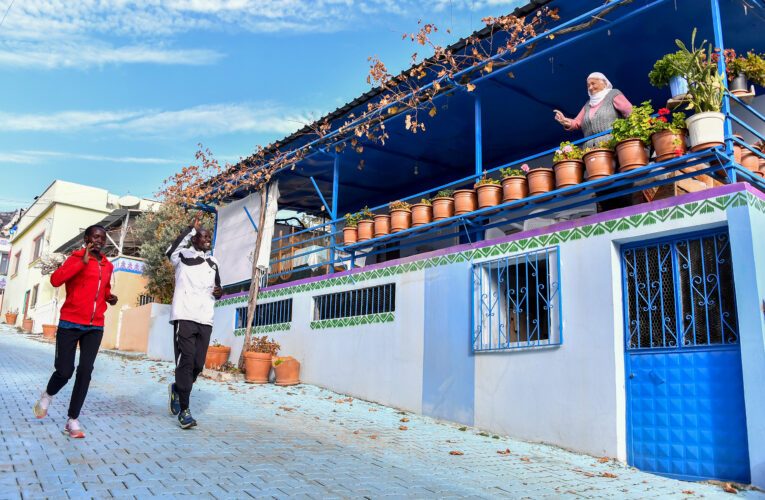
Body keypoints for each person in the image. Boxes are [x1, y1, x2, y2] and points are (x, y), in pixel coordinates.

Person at [33, 225, 118, 438]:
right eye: (95, 237)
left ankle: (72, 419)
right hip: (70, 323)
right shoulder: (75, 258)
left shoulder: (107, 265)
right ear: (86, 238)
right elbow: (56, 280)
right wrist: (83, 261)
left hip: (95, 325)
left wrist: (109, 297)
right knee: (65, 371)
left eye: (102, 238)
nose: (99, 241)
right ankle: (48, 394)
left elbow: (104, 288)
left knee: (85, 371)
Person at [166, 213, 223, 429]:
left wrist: (220, 292)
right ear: (195, 239)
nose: (208, 239)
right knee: (186, 360)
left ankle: (177, 389)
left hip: (205, 318)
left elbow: (218, 286)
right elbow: (171, 249)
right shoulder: (181, 255)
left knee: (198, 365)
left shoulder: (214, 261)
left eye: (209, 237)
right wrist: (191, 228)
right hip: (185, 314)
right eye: (204, 236)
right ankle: (184, 410)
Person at [553, 72, 633, 149]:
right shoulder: (588, 105)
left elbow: (630, 112)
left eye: (593, 83)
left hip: (613, 144)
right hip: (591, 150)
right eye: (588, 85)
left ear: (604, 83)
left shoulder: (613, 94)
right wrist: (564, 121)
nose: (590, 87)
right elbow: (577, 122)